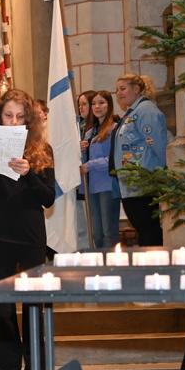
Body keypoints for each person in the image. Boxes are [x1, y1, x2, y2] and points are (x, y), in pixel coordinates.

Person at [0, 89, 55, 370]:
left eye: (20, 117)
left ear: (29, 120)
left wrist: (28, 175)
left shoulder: (41, 149)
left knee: (34, 311)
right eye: (8, 115)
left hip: (30, 238)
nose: (13, 122)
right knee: (4, 314)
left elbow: (48, 198)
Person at [111, 73, 167, 246]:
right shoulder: (132, 113)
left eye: (123, 89)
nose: (119, 93)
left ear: (136, 89)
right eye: (117, 90)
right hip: (131, 185)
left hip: (145, 184)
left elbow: (159, 146)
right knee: (143, 230)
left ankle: (155, 261)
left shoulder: (147, 111)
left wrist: (161, 177)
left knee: (149, 231)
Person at [80, 91, 120, 248]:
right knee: (96, 233)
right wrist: (82, 150)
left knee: (108, 231)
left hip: (108, 184)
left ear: (109, 105)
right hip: (91, 186)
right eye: (94, 103)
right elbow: (85, 160)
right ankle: (100, 260)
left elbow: (114, 159)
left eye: (101, 103)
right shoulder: (90, 132)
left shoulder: (115, 128)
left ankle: (111, 261)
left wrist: (90, 165)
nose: (97, 106)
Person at [76, 90, 97, 250]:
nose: (80, 108)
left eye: (84, 104)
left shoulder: (97, 127)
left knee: (96, 227)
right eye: (79, 104)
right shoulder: (78, 126)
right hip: (81, 183)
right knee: (82, 226)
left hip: (94, 181)